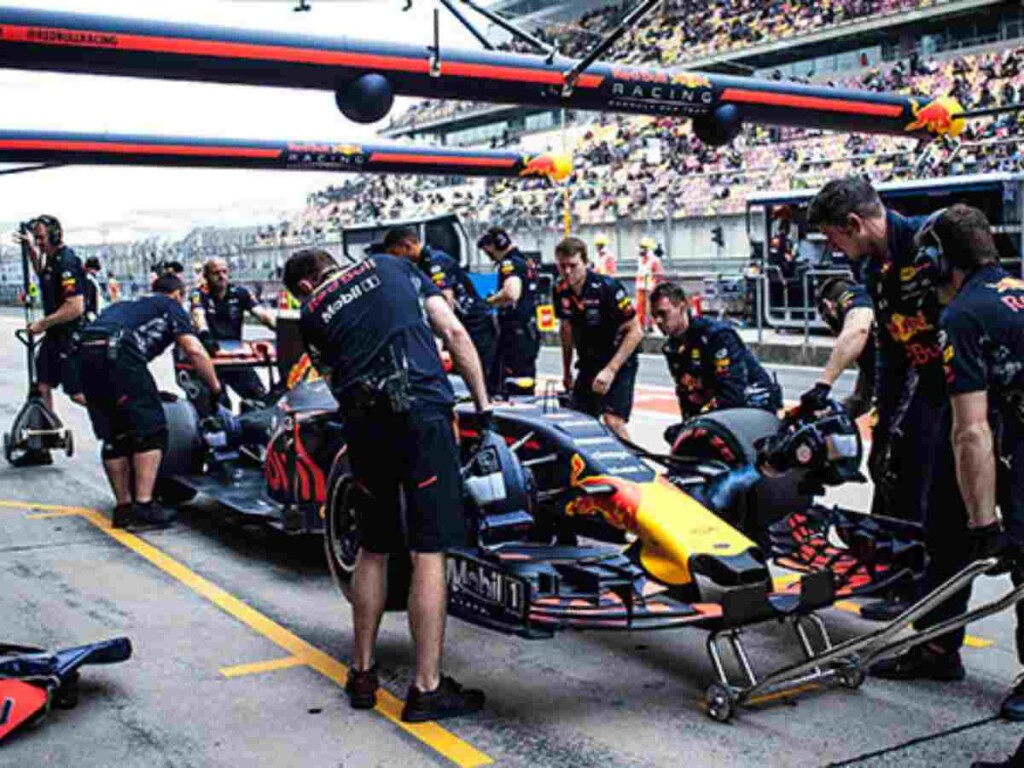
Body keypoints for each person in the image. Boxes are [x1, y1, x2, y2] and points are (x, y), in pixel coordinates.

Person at [283, 247, 491, 723]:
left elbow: (335, 378)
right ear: (335, 260)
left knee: (373, 547)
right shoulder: (393, 265)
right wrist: (483, 405)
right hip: (421, 411)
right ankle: (426, 687)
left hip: (365, 424)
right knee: (428, 551)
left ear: (307, 283)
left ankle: (361, 672)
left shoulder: (311, 312)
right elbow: (454, 330)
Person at [807, 175, 969, 668]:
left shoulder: (937, 244)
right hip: (924, 398)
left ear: (854, 223)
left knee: (986, 529)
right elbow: (892, 352)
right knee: (921, 508)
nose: (834, 249)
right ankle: (930, 634)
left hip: (973, 399)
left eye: (834, 238)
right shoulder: (876, 270)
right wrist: (880, 417)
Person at [928, 205, 1024, 719]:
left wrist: (983, 522)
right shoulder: (1018, 289)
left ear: (938, 261)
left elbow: (971, 432)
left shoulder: (964, 314)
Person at [78, 273, 223, 528]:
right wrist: (215, 387)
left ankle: (123, 507)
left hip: (86, 352)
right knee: (151, 429)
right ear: (178, 294)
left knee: (115, 434)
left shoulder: (126, 305)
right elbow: (194, 350)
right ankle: (144, 505)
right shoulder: (171, 307)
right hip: (118, 352)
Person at [651, 281, 781, 433]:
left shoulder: (717, 336)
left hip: (752, 405)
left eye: (663, 313)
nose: (658, 321)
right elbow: (686, 393)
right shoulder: (672, 348)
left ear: (681, 308)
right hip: (718, 410)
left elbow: (732, 393)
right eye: (654, 316)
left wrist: (697, 422)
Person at [383, 226, 497, 394]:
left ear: (406, 246)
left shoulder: (434, 262)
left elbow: (446, 300)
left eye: (395, 253)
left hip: (475, 324)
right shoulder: (422, 264)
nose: (395, 260)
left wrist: (441, 339)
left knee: (479, 373)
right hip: (464, 323)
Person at [554, 237, 643, 441]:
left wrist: (611, 370)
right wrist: (566, 371)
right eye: (562, 266)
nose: (567, 272)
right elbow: (566, 330)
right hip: (589, 360)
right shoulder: (559, 290)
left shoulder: (608, 288)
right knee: (578, 419)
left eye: (573, 265)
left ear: (585, 262)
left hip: (619, 360)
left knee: (613, 420)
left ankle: (635, 466)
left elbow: (636, 331)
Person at [13, 216, 86, 466]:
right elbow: (43, 274)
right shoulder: (52, 261)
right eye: (37, 238)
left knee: (78, 394)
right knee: (41, 386)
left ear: (56, 236)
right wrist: (29, 249)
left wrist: (41, 324)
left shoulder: (67, 263)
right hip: (55, 337)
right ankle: (41, 445)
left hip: (70, 338)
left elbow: (75, 307)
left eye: (42, 238)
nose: (39, 243)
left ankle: (120, 425)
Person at [190, 258, 277, 403]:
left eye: (224, 272)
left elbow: (262, 314)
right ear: (206, 276)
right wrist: (204, 334)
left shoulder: (240, 292)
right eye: (215, 273)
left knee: (259, 397)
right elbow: (198, 316)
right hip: (211, 355)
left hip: (235, 355)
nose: (221, 276)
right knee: (219, 403)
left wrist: (282, 329)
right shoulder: (198, 294)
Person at [801, 275, 876, 418]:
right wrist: (822, 418)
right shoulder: (870, 347)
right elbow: (860, 400)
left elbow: (857, 330)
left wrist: (823, 385)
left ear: (828, 306)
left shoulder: (856, 296)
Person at [479, 227, 539, 394]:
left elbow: (512, 292)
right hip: (530, 330)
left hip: (515, 332)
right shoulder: (526, 261)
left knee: (512, 384)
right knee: (526, 380)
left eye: (489, 253)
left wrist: (489, 301)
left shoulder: (509, 263)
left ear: (496, 245)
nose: (490, 258)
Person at [635, 237, 664, 333]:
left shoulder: (654, 261)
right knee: (640, 307)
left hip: (649, 288)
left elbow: (659, 275)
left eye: (643, 248)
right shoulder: (640, 260)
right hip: (640, 287)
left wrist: (655, 286)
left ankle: (650, 325)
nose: (641, 250)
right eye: (641, 247)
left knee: (649, 308)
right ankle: (641, 325)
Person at [83, 256, 105, 323]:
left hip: (94, 313)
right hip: (91, 315)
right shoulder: (88, 280)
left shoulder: (91, 279)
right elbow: (88, 299)